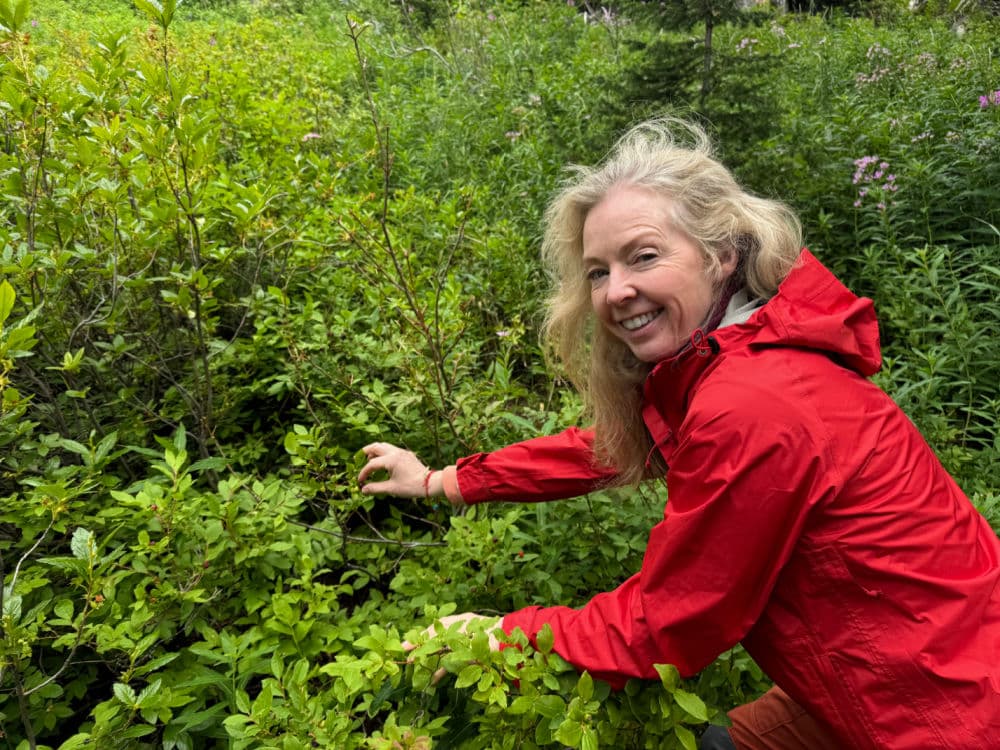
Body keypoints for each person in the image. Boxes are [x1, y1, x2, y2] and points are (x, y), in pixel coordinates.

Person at [357, 117, 1000, 750]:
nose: (617, 291)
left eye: (644, 256)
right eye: (598, 270)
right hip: (897, 663)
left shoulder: (754, 401)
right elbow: (611, 448)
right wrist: (446, 480)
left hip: (945, 711)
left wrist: (498, 638)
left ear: (721, 255)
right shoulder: (746, 354)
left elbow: (671, 622)